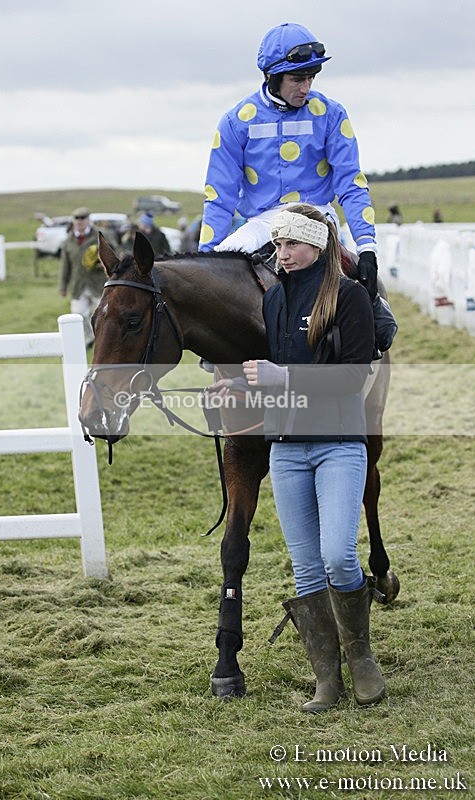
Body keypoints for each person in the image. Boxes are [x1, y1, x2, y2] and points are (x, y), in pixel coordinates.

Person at [209, 204, 385, 713]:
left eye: (291, 244)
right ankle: (326, 680)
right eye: (277, 245)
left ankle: (362, 659)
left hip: (338, 444)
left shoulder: (350, 298)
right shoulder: (274, 303)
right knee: (306, 568)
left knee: (337, 556)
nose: (280, 253)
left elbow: (353, 378)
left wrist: (279, 378)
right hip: (286, 449)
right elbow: (275, 373)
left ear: (316, 246)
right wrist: (237, 387)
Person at [198, 22, 378, 301]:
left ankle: (375, 328)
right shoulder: (235, 122)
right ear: (272, 76)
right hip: (261, 223)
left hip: (317, 217)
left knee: (364, 295)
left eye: (311, 78)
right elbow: (220, 196)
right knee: (216, 277)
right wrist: (206, 261)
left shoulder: (332, 114)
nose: (306, 87)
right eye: (297, 79)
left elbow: (351, 184)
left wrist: (367, 248)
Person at [59, 207, 105, 348]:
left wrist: (103, 262)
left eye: (83, 219)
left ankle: (103, 340)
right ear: (73, 221)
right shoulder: (68, 241)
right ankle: (90, 336)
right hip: (78, 285)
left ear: (88, 220)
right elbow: (65, 266)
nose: (80, 222)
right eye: (77, 219)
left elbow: (115, 252)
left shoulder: (100, 236)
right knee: (78, 315)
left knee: (102, 315)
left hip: (98, 283)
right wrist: (63, 286)